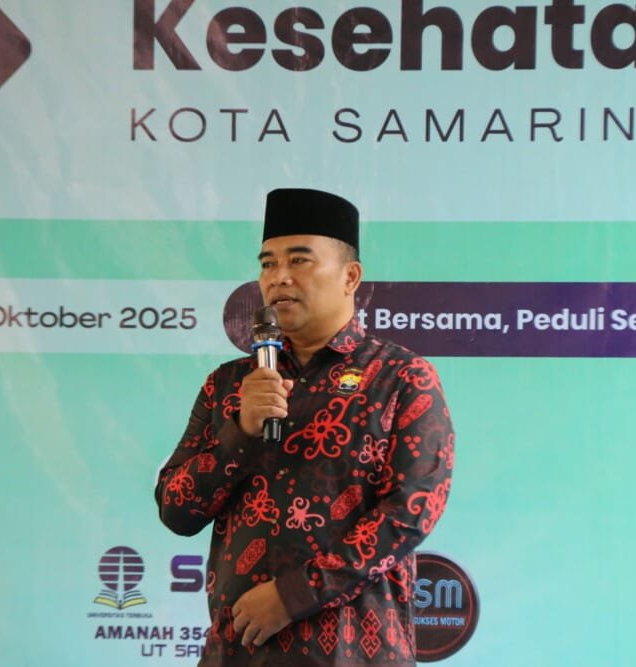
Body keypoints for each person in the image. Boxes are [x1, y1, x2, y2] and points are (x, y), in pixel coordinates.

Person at [155, 188, 455, 666]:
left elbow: (409, 514)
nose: (279, 277)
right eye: (268, 263)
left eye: (299, 260)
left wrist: (294, 595)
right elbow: (176, 510)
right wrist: (240, 433)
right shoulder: (229, 384)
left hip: (354, 655)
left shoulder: (400, 378)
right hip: (238, 653)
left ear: (350, 276)